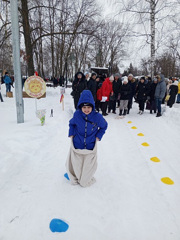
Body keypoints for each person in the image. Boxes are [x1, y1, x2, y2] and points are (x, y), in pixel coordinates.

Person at [66, 90, 108, 187]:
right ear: (80, 106)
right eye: (84, 107)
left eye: (88, 107)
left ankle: (85, 177)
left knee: (84, 181)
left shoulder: (97, 117)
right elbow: (71, 124)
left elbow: (104, 126)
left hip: (90, 147)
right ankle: (76, 174)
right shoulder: (77, 115)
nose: (86, 109)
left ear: (92, 106)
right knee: (77, 170)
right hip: (77, 146)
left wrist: (99, 135)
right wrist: (71, 133)